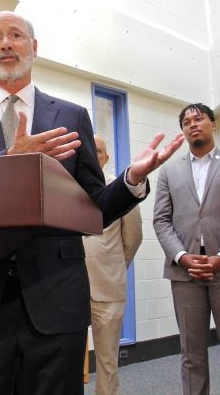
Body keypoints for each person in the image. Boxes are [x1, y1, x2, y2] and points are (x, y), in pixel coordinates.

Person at [0, 10, 184, 395]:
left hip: (56, 292)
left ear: (33, 47)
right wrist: (9, 162)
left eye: (15, 35)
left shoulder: (70, 115)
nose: (5, 44)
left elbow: (95, 207)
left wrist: (131, 179)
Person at [153, 103, 220, 395]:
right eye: (186, 122)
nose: (192, 124)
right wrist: (183, 257)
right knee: (191, 353)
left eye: (198, 119)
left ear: (212, 124)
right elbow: (161, 221)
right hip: (184, 274)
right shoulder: (168, 172)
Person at [83, 135, 142, 395]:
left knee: (107, 363)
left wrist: (115, 265)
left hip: (107, 288)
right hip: (68, 289)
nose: (93, 154)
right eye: (88, 149)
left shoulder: (120, 190)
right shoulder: (66, 187)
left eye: (98, 150)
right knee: (65, 361)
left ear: (106, 157)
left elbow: (133, 239)